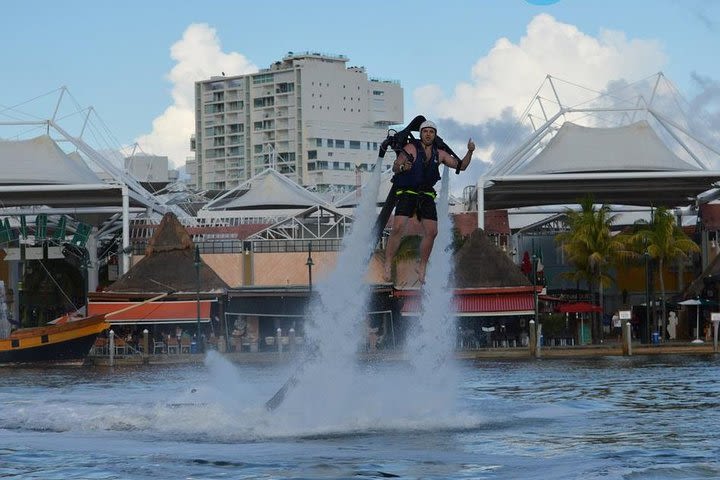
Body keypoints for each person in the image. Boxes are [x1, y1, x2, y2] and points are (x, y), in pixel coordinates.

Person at [383, 120, 474, 283]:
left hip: (426, 194)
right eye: (425, 131)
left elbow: (462, 166)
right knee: (397, 227)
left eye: (431, 132)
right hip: (408, 192)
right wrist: (404, 167)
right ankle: (388, 263)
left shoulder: (440, 154)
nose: (428, 134)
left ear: (435, 135)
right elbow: (396, 166)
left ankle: (422, 265)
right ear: (421, 133)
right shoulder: (411, 148)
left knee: (432, 232)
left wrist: (470, 152)